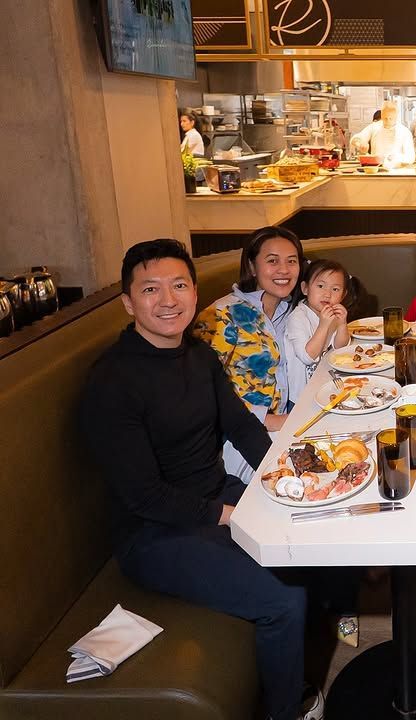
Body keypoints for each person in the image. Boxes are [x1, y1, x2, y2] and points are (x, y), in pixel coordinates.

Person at [80, 239, 313, 720]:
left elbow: (242, 427)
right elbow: (144, 496)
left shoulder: (199, 356)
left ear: (193, 291)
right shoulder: (113, 382)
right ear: (128, 303)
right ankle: (286, 711)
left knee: (310, 534)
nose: (168, 300)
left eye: (179, 286)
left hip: (214, 499)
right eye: (151, 289)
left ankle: (299, 671)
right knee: (285, 601)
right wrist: (229, 514)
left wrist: (285, 480)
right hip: (154, 534)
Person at [194, 226, 304, 481]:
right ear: (252, 267)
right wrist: (269, 420)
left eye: (291, 261)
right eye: (272, 261)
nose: (284, 270)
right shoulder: (221, 316)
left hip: (284, 423)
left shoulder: (290, 312)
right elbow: (200, 393)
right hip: (236, 442)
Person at [284, 259, 352, 405]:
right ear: (305, 288)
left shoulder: (329, 313)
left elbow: (340, 348)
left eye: (335, 289)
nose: (327, 294)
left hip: (324, 386)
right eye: (320, 286)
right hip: (301, 396)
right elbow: (307, 356)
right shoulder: (298, 317)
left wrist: (342, 324)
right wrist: (324, 325)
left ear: (343, 295)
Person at [349, 103, 415, 167]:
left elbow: (411, 157)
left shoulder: (404, 131)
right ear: (382, 116)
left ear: (396, 117)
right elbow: (355, 139)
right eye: (385, 118)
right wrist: (360, 144)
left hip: (397, 170)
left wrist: (396, 158)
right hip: (375, 169)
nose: (388, 121)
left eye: (391, 118)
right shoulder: (374, 127)